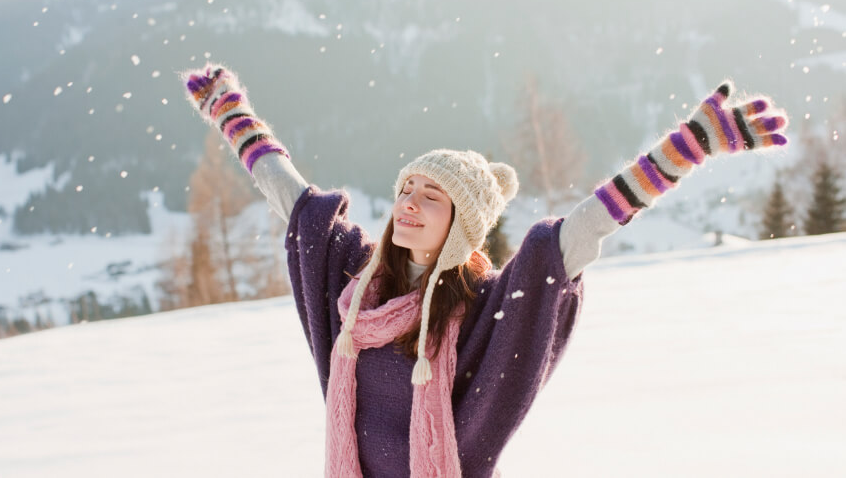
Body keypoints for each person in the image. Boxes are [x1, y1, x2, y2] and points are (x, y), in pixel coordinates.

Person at [183, 65, 789, 477]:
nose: (410, 204)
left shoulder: (482, 306)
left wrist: (685, 148)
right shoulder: (358, 284)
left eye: (432, 197)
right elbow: (295, 202)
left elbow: (576, 235)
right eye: (407, 189)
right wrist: (233, 115)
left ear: (461, 226)